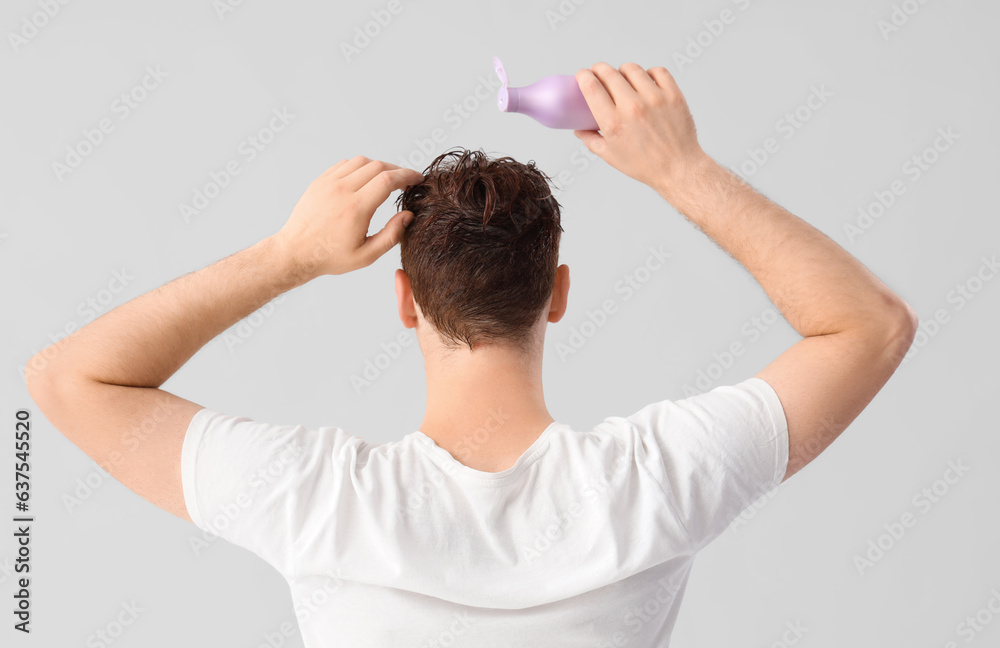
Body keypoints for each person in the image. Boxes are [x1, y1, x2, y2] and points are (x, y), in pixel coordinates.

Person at [26, 62, 917, 647]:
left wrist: (286, 256)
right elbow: (869, 326)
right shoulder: (656, 482)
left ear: (406, 303)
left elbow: (69, 378)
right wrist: (678, 167)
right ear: (557, 295)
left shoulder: (313, 499)